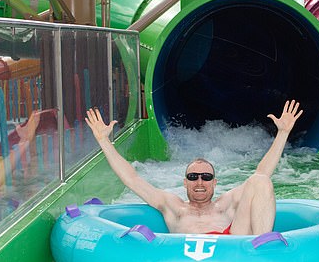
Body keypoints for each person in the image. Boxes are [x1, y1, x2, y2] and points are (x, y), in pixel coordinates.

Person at [85, 100, 303, 235]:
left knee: (260, 180)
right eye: (194, 176)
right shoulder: (173, 206)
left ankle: (263, 249)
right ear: (185, 182)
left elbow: (262, 174)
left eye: (206, 177)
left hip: (234, 246)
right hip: (185, 256)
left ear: (215, 182)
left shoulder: (225, 205)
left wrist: (283, 133)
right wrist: (104, 140)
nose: (200, 181)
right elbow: (132, 179)